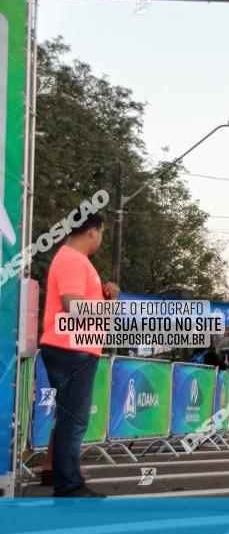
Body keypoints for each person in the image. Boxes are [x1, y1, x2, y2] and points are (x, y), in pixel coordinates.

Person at [39, 211, 119, 497]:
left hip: (74, 347)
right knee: (74, 420)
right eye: (101, 233)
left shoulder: (75, 260)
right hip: (71, 348)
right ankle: (68, 484)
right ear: (92, 231)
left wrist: (108, 298)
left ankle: (67, 480)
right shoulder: (73, 260)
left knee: (71, 418)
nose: (100, 238)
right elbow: (72, 305)